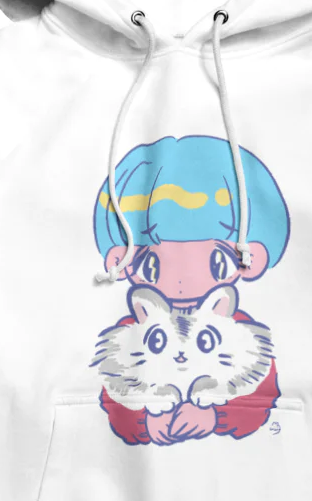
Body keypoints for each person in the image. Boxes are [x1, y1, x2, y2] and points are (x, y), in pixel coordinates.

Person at [93, 134, 290, 444]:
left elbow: (263, 392)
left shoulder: (237, 331)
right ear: (121, 260)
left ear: (254, 256)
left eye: (216, 262)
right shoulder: (138, 326)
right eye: (152, 265)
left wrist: (217, 417)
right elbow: (113, 389)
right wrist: (145, 424)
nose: (183, 280)